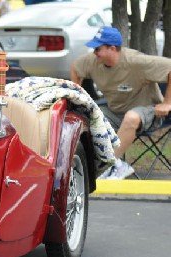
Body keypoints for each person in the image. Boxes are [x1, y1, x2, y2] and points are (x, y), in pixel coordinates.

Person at [71, 26, 171, 180]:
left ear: (112, 48)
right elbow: (76, 68)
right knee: (84, 115)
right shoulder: (93, 61)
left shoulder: (135, 61)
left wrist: (167, 102)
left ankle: (114, 165)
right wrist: (78, 98)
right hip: (115, 111)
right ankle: (91, 167)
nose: (94, 52)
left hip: (148, 111)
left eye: (97, 48)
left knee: (131, 117)